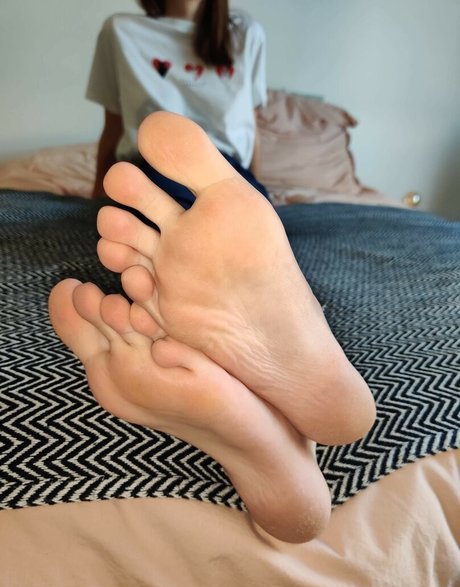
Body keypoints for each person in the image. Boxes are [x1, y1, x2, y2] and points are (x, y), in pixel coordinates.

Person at [49, 111, 377, 544]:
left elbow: (112, 129)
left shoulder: (124, 48)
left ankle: (254, 408)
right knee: (226, 227)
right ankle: (272, 336)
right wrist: (247, 186)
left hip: (149, 177)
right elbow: (251, 135)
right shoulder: (244, 55)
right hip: (221, 173)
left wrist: (96, 193)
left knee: (155, 234)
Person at [88, 0, 270, 208]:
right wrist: (97, 195)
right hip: (157, 164)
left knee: (252, 213)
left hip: (229, 169)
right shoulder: (120, 31)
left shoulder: (247, 34)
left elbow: (251, 127)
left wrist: (258, 193)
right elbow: (113, 128)